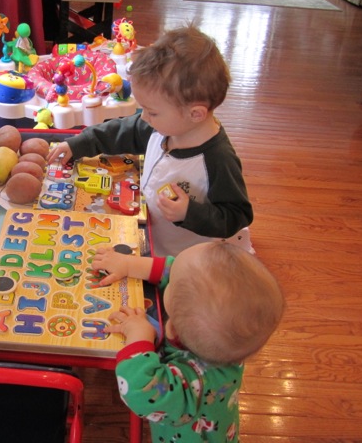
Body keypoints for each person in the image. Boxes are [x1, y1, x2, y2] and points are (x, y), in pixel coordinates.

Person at [47, 24, 253, 257]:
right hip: (146, 233)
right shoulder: (163, 126)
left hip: (180, 259)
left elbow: (237, 215)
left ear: (195, 114)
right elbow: (122, 130)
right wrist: (79, 143)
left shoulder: (218, 159)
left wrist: (189, 213)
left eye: (152, 112)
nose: (144, 117)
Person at [91, 241, 284, 442]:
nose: (170, 268)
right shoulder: (231, 338)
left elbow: (139, 390)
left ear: (173, 329)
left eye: (172, 280)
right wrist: (128, 264)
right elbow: (174, 271)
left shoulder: (193, 385)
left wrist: (139, 334)